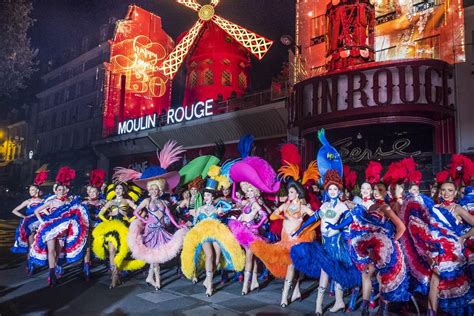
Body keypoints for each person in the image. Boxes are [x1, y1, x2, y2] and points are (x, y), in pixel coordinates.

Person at [114, 140, 188, 290]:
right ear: (149, 190)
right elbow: (135, 212)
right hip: (151, 230)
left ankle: (151, 277)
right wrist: (145, 219)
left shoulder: (164, 203)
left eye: (156, 189)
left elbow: (170, 216)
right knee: (154, 258)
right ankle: (157, 281)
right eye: (152, 189)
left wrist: (177, 225)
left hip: (161, 230)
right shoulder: (147, 201)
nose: (154, 191)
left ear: (160, 190)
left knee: (158, 257)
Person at [291, 170, 361, 315]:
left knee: (335, 274)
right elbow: (314, 218)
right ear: (327, 190)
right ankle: (325, 304)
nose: (333, 191)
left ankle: (333, 303)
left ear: (339, 190)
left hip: (336, 245)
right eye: (330, 189)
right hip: (325, 245)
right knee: (327, 273)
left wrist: (337, 226)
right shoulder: (324, 206)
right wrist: (300, 229)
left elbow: (350, 218)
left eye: (335, 189)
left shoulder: (342, 206)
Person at [251, 181, 316, 307]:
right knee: (292, 267)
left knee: (292, 266)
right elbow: (272, 216)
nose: (289, 194)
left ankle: (284, 296)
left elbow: (316, 217)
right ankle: (296, 291)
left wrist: (304, 229)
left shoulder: (302, 207)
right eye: (289, 192)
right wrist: (279, 216)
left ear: (297, 194)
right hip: (284, 241)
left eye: (292, 192)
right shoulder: (286, 206)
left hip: (296, 241)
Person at [349, 182, 409, 315]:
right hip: (371, 247)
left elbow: (401, 227)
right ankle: (364, 308)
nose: (376, 192)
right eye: (375, 189)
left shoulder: (386, 207)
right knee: (366, 274)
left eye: (380, 190)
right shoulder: (371, 206)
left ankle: (383, 309)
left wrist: (391, 242)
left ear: (386, 192)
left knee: (380, 277)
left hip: (383, 248)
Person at [180, 177, 244, 297]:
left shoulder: (217, 209)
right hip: (204, 234)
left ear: (213, 197)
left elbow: (229, 207)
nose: (206, 198)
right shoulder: (199, 209)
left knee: (216, 258)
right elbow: (194, 222)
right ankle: (209, 284)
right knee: (209, 255)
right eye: (205, 196)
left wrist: (219, 205)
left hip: (216, 234)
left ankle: (208, 279)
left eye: (208, 195)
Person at [29, 167, 89, 287]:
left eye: (62, 189)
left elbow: (76, 212)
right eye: (58, 190)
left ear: (65, 191)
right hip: (50, 229)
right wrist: (42, 222)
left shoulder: (68, 203)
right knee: (50, 250)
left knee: (58, 252)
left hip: (62, 231)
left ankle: (56, 267)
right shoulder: (51, 202)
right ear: (55, 191)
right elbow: (36, 211)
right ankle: (51, 274)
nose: (60, 191)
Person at [92, 182, 143, 288]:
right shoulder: (110, 202)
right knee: (111, 251)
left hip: (124, 228)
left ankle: (117, 274)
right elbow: (100, 214)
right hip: (112, 228)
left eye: (120, 188)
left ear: (124, 191)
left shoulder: (127, 201)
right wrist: (107, 221)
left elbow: (139, 211)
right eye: (117, 188)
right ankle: (114, 277)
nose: (118, 190)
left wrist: (130, 219)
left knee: (121, 252)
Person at [11, 171, 47, 275]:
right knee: (31, 245)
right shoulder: (28, 201)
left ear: (37, 190)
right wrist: (24, 217)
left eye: (32, 190)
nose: (30, 192)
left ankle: (44, 261)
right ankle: (30, 263)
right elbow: (14, 210)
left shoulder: (43, 202)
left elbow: (48, 212)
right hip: (30, 225)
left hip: (40, 224)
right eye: (30, 190)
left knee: (40, 244)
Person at [81, 169, 107, 281]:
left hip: (99, 226)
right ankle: (86, 267)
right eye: (91, 192)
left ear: (98, 193)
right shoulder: (84, 203)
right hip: (87, 226)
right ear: (88, 193)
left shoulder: (103, 202)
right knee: (87, 246)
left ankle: (108, 262)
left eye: (95, 192)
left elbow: (109, 212)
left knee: (102, 243)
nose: (93, 194)